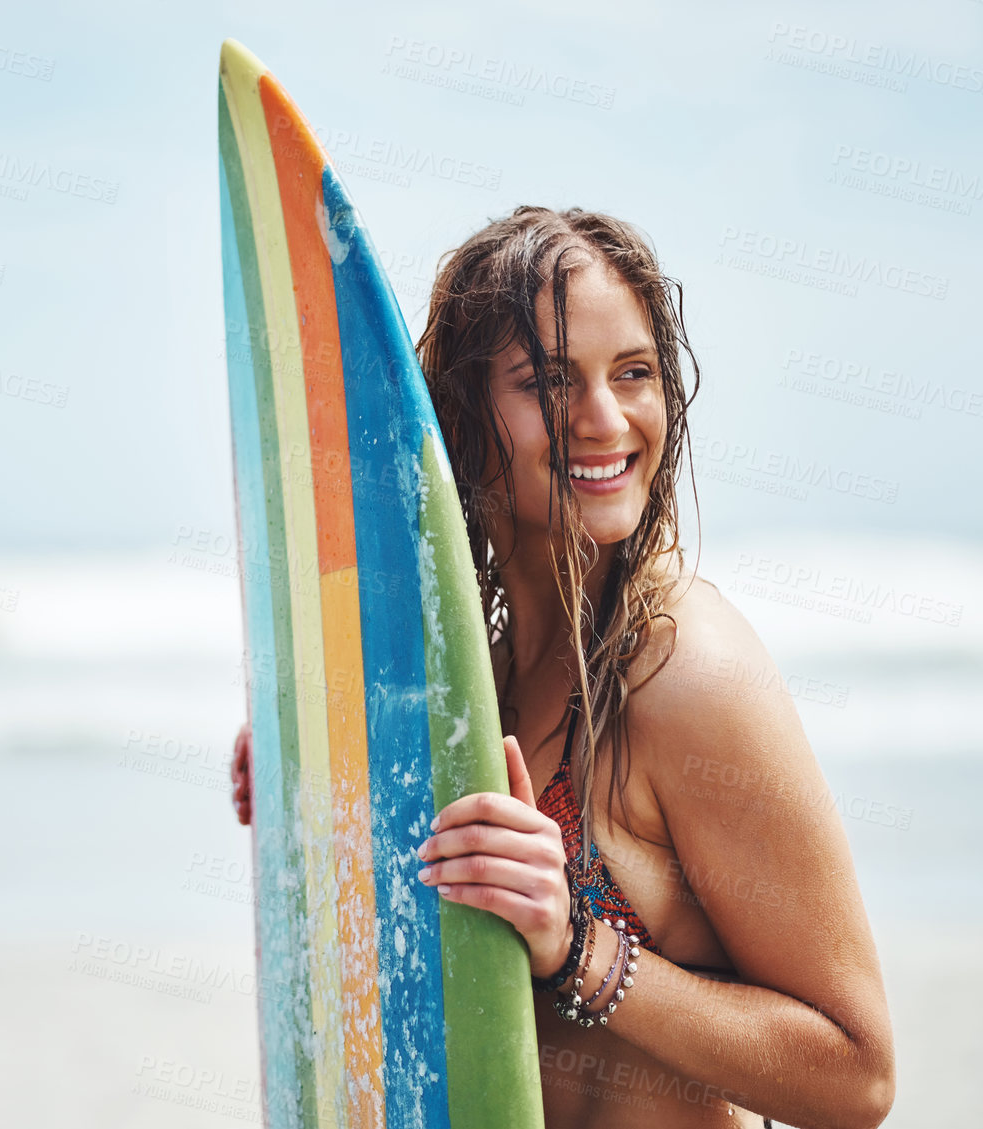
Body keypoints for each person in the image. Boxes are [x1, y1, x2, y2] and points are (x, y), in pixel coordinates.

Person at [230, 206, 895, 1129]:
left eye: (634, 373)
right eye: (547, 381)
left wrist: (579, 948)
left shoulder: (683, 668)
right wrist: (322, 788)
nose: (603, 418)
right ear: (459, 417)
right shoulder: (475, 674)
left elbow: (857, 1076)